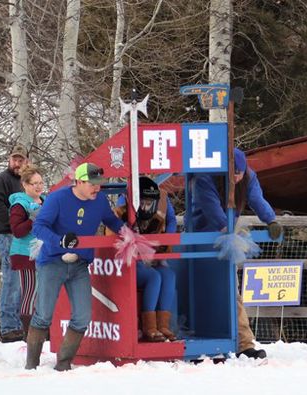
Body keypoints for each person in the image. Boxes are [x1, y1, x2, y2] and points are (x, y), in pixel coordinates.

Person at [25, 163, 124, 371]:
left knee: (82, 316)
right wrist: (60, 241)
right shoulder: (57, 198)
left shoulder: (100, 201)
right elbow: (38, 227)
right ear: (79, 182)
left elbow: (112, 222)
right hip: (52, 262)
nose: (97, 189)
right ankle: (31, 364)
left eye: (99, 184)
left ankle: (63, 363)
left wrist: (131, 234)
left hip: (80, 264)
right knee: (44, 315)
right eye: (92, 184)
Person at [191, 148, 282, 359]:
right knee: (207, 292)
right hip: (203, 238)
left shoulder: (249, 177)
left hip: (229, 237)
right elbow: (212, 210)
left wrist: (271, 219)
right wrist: (227, 229)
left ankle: (243, 343)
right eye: (233, 173)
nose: (237, 177)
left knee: (233, 291)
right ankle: (208, 342)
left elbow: (257, 199)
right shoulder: (206, 179)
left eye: (239, 173)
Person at [109, 176, 177, 342]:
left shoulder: (157, 219)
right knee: (154, 277)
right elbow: (113, 239)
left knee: (168, 275)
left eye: (150, 203)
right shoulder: (121, 212)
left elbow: (170, 226)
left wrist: (164, 244)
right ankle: (149, 327)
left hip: (148, 260)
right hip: (124, 263)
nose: (146, 207)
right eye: (143, 203)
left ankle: (163, 325)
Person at [0, 144, 28, 342]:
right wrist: (15, 225)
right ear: (9, 160)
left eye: (21, 160)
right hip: (7, 235)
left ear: (27, 161)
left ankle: (18, 324)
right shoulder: (1, 180)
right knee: (11, 280)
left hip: (23, 237)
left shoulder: (26, 182)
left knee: (22, 281)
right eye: (15, 159)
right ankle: (8, 327)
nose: (18, 163)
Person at [8, 164, 45, 339]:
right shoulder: (20, 204)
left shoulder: (44, 200)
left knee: (43, 292)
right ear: (25, 185)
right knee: (30, 291)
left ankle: (42, 331)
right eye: (34, 183)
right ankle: (29, 334)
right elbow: (17, 230)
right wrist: (33, 220)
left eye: (40, 182)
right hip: (25, 254)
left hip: (44, 252)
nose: (38, 186)